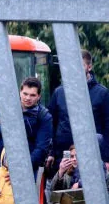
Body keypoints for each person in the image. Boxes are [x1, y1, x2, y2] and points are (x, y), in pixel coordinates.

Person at [45, 50, 109, 182]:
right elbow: (51, 124)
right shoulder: (59, 93)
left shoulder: (102, 94)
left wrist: (107, 158)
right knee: (61, 196)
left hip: (92, 158)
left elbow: (107, 127)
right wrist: (51, 153)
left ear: (89, 67)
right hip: (63, 156)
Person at [0, 76, 52, 184]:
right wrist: (7, 130)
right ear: (20, 92)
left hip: (26, 167)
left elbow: (41, 148)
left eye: (32, 95)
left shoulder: (44, 116)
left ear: (39, 96)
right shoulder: (7, 106)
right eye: (25, 94)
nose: (28, 98)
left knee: (23, 200)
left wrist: (22, 169)